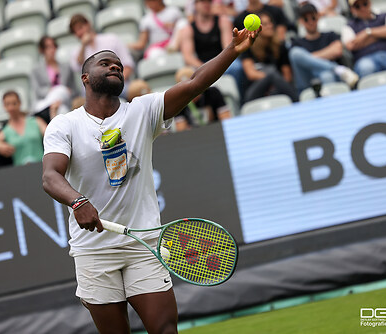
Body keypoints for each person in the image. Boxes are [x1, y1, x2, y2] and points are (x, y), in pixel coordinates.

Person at [42, 24, 260, 333]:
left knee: (165, 330)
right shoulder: (64, 126)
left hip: (143, 244)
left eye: (118, 65)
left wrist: (231, 51)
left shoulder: (143, 111)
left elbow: (196, 82)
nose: (115, 67)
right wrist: (78, 201)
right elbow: (50, 176)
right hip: (93, 251)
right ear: (85, 78)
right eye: (105, 63)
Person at [289, 3, 359, 92]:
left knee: (326, 75)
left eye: (313, 18)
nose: (310, 22)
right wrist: (327, 54)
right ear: (301, 22)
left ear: (318, 17)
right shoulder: (297, 43)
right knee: (295, 53)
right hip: (308, 80)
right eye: (306, 19)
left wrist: (307, 58)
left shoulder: (330, 35)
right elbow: (296, 57)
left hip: (331, 77)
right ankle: (336, 68)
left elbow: (337, 51)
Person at [180, 0, 245, 92]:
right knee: (189, 74)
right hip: (202, 63)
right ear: (195, 5)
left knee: (236, 66)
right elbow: (188, 57)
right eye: (203, 2)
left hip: (222, 61)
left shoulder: (223, 21)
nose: (206, 4)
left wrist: (217, 66)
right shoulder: (188, 29)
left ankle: (239, 97)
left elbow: (228, 47)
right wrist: (206, 68)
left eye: (209, 1)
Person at [69, 14, 135, 96]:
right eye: (75, 32)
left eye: (80, 28)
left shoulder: (111, 39)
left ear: (88, 24)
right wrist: (83, 45)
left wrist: (116, 84)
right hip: (93, 94)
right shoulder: (76, 52)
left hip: (118, 86)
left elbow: (128, 65)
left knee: (137, 88)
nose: (79, 33)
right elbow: (77, 67)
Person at [240, 11, 298, 102]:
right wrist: (269, 79)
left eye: (270, 22)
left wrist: (274, 82)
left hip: (277, 88)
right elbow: (251, 74)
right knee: (271, 73)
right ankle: (297, 100)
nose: (270, 26)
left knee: (274, 83)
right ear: (257, 28)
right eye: (265, 24)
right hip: (256, 90)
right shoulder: (248, 48)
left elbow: (287, 77)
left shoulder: (280, 46)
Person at [0, 90, 47, 166]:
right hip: (21, 171)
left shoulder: (35, 121)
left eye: (14, 103)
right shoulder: (6, 130)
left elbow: (49, 134)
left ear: (19, 103)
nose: (11, 108)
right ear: (4, 106)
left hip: (41, 165)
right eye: (7, 104)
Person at [341, 0, 386, 78]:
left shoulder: (385, 16)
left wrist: (368, 33)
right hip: (365, 59)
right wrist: (381, 34)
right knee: (366, 68)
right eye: (357, 6)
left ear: (370, 3)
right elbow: (351, 45)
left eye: (365, 4)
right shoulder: (348, 26)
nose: (362, 8)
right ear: (352, 9)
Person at [31, 36, 78, 123]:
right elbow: (37, 91)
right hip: (51, 100)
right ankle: (52, 108)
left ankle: (43, 109)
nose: (51, 50)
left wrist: (68, 91)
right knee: (62, 109)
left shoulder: (66, 67)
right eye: (48, 47)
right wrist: (50, 90)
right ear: (42, 50)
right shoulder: (36, 70)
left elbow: (74, 90)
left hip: (64, 99)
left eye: (53, 46)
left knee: (61, 90)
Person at [174, 66, 230, 131]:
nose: (190, 93)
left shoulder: (213, 93)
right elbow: (181, 131)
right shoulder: (178, 102)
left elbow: (226, 120)